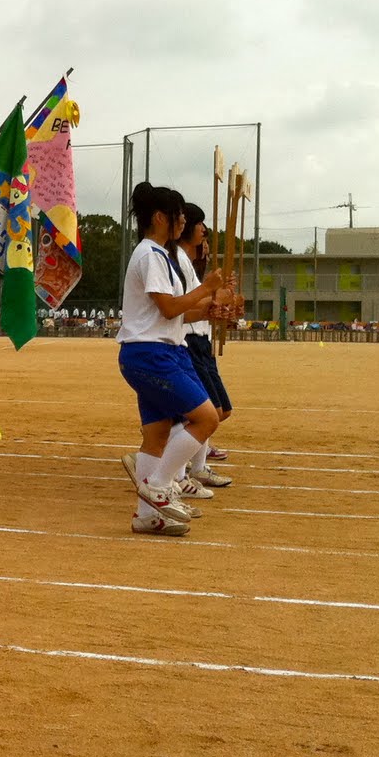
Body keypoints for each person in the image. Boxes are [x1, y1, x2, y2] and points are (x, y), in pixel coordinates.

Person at [115, 182, 225, 537]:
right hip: (151, 353)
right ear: (160, 217)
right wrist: (206, 289)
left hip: (161, 350)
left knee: (158, 433)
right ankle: (159, 485)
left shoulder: (160, 255)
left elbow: (176, 314)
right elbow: (167, 307)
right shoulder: (149, 254)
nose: (182, 222)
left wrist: (211, 308)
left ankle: (148, 515)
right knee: (206, 418)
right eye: (178, 215)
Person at [175, 202, 233, 491]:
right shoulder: (175, 260)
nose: (205, 235)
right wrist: (214, 297)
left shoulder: (187, 264)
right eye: (201, 227)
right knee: (205, 411)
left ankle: (188, 465)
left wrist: (220, 301)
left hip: (199, 339)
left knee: (215, 410)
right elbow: (182, 304)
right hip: (187, 340)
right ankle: (179, 467)